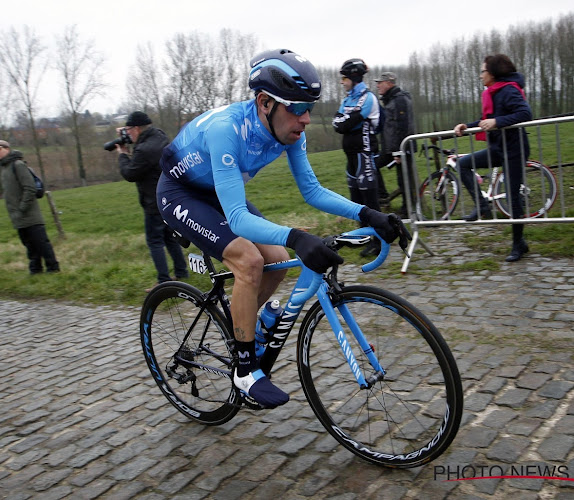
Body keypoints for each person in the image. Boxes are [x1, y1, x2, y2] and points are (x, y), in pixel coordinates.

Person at [157, 49, 408, 409]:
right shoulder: (227, 130)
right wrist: (297, 236)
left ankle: (237, 326)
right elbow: (239, 217)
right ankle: (244, 370)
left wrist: (369, 214)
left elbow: (312, 191)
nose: (306, 119)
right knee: (248, 261)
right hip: (180, 194)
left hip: (215, 191)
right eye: (297, 107)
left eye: (310, 108)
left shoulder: (290, 129)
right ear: (264, 103)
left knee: (274, 258)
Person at [453, 54, 532, 262]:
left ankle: (518, 244)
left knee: (513, 197)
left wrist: (498, 121)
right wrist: (466, 126)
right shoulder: (492, 92)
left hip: (514, 150)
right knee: (462, 164)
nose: (480, 76)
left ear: (493, 73)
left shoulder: (509, 90)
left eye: (482, 71)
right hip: (498, 148)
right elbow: (486, 120)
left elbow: (525, 113)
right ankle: (483, 206)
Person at [113, 111, 188, 292]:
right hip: (171, 198)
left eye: (129, 130)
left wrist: (123, 154)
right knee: (170, 238)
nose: (128, 133)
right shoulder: (160, 137)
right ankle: (181, 271)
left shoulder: (145, 149)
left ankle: (163, 280)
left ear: (137, 128)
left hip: (154, 202)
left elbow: (130, 173)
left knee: (155, 241)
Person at [332, 58, 384, 256]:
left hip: (365, 154)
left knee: (370, 200)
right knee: (356, 200)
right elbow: (337, 123)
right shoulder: (347, 99)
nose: (342, 82)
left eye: (344, 78)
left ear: (354, 77)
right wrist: (344, 120)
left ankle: (379, 240)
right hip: (351, 157)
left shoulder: (367, 97)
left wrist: (345, 120)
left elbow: (346, 123)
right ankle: (364, 236)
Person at [0, 140, 59, 274]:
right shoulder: (4, 168)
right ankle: (36, 269)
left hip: (30, 214)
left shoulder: (18, 165)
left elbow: (30, 188)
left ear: (7, 149)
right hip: (17, 216)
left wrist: (22, 208)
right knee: (29, 245)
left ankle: (53, 268)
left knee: (41, 243)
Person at [374, 71, 416, 219]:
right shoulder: (391, 100)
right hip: (391, 148)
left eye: (380, 82)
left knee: (404, 179)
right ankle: (384, 198)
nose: (378, 85)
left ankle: (410, 212)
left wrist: (399, 151)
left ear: (389, 83)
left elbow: (402, 126)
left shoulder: (399, 100)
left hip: (401, 147)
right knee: (371, 166)